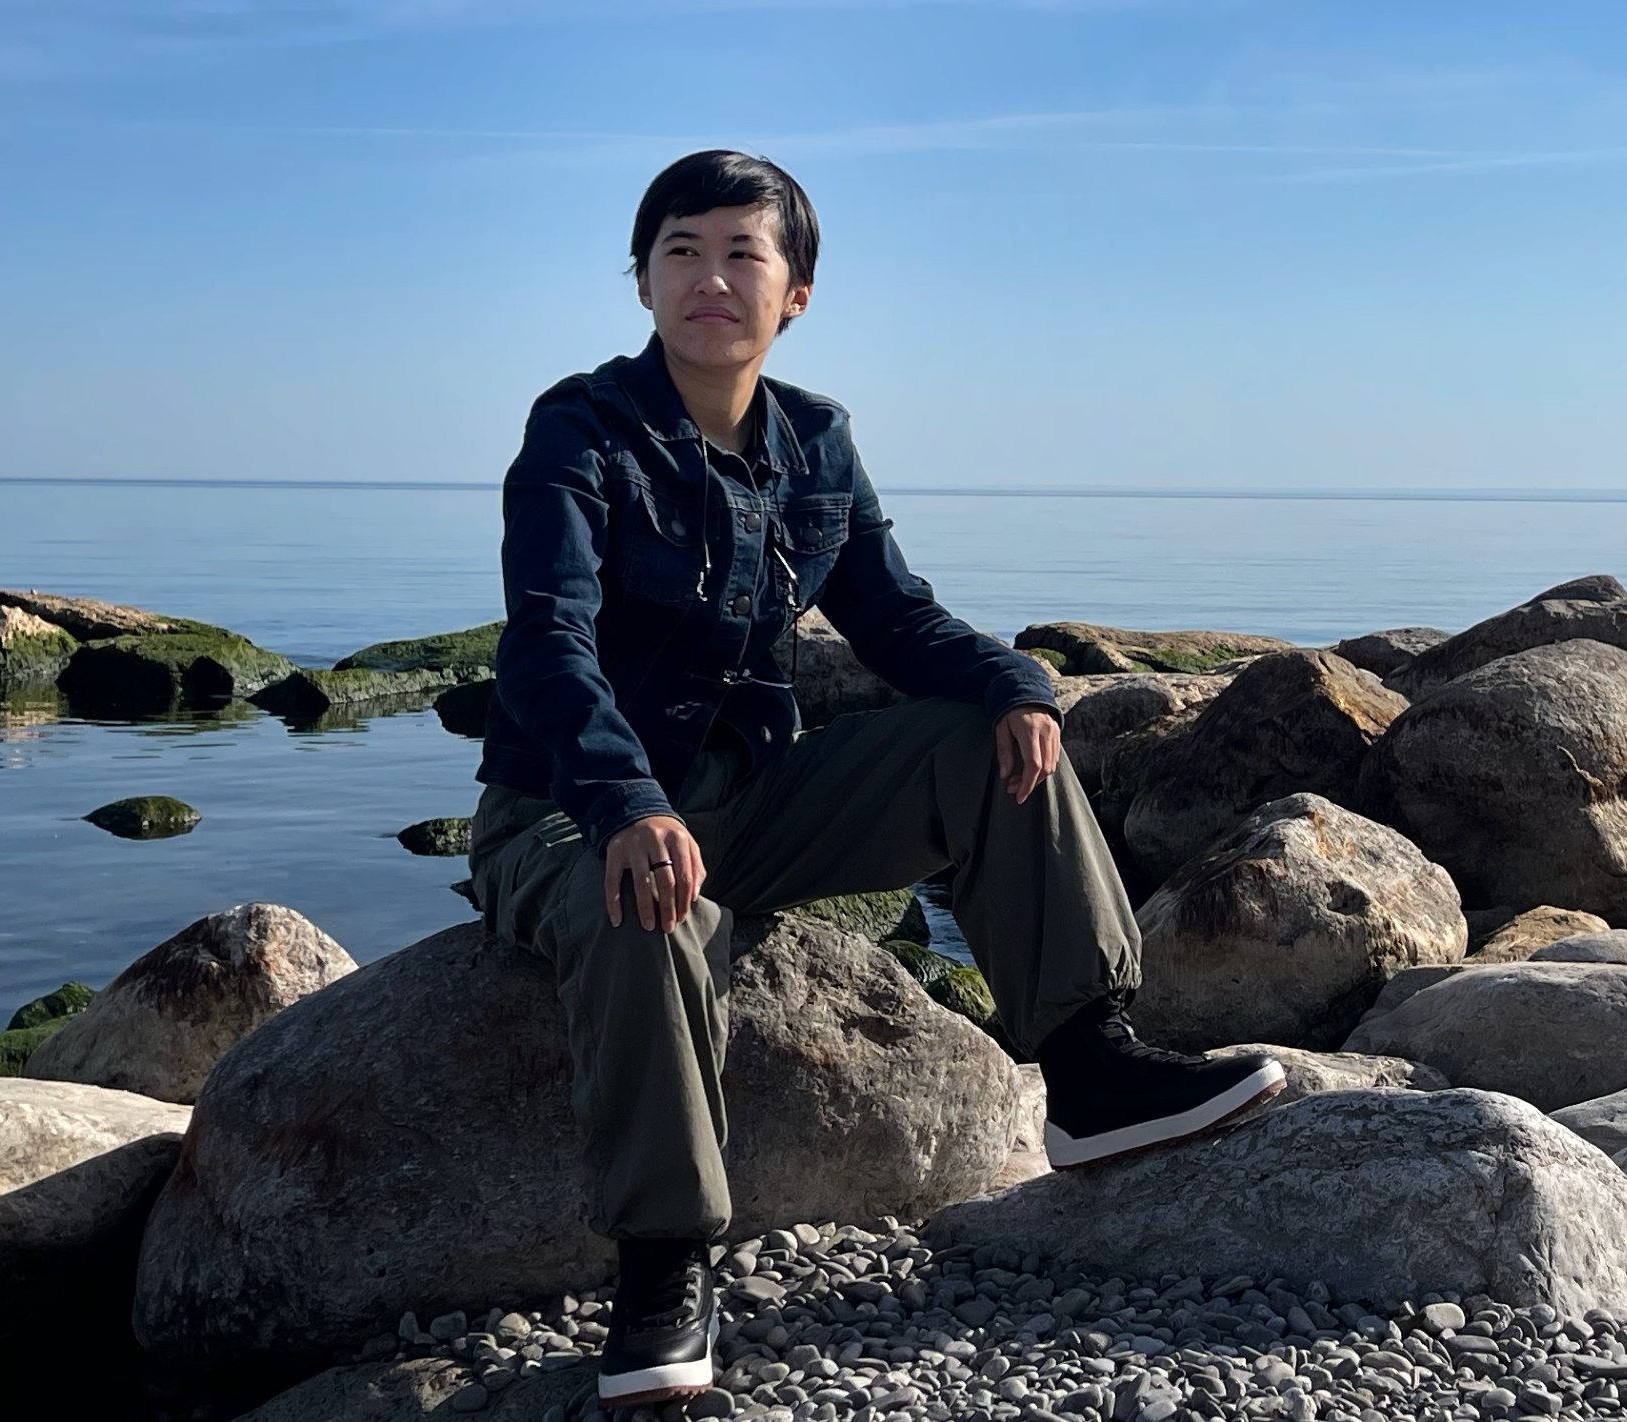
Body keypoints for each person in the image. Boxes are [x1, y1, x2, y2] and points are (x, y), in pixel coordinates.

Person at [466, 150, 1285, 1410]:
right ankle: (664, 1259)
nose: (710, 278)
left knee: (986, 740)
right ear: (641, 280)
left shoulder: (817, 442)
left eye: (744, 254)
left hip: (753, 800)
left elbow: (895, 619)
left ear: (794, 293)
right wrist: (624, 803)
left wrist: (1019, 683)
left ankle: (1090, 1067)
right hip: (571, 811)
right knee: (648, 904)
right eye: (681, 252)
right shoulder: (579, 429)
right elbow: (546, 641)